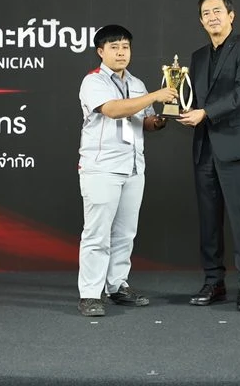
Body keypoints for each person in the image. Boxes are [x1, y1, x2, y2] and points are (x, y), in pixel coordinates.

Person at [77, 24, 177, 317]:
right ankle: (90, 294)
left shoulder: (137, 83)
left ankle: (117, 286)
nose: (121, 52)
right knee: (97, 234)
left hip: (133, 166)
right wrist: (155, 95)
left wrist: (159, 121)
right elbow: (114, 110)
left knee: (124, 234)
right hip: (102, 168)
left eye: (125, 47)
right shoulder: (93, 81)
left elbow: (144, 120)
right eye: (114, 47)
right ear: (101, 51)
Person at [178, 0, 240, 311]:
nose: (212, 16)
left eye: (217, 11)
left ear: (231, 15)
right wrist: (177, 104)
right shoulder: (198, 56)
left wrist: (205, 113)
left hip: (237, 145)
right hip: (204, 148)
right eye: (206, 13)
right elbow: (192, 97)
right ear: (201, 21)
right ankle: (214, 282)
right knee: (209, 222)